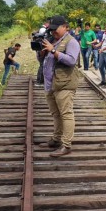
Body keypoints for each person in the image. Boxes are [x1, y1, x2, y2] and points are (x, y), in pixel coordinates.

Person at [40, 15, 81, 157]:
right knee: (55, 114)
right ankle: (56, 139)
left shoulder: (71, 42)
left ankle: (66, 145)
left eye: (55, 29)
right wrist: (42, 52)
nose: (53, 32)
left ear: (65, 27)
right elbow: (45, 60)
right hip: (51, 83)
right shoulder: (53, 41)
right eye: (51, 30)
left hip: (64, 84)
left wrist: (53, 51)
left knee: (66, 114)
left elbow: (71, 60)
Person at [35, 19, 51, 86]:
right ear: (47, 23)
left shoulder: (42, 30)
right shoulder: (43, 29)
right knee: (42, 66)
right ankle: (39, 81)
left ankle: (40, 81)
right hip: (42, 51)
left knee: (42, 66)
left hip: (40, 50)